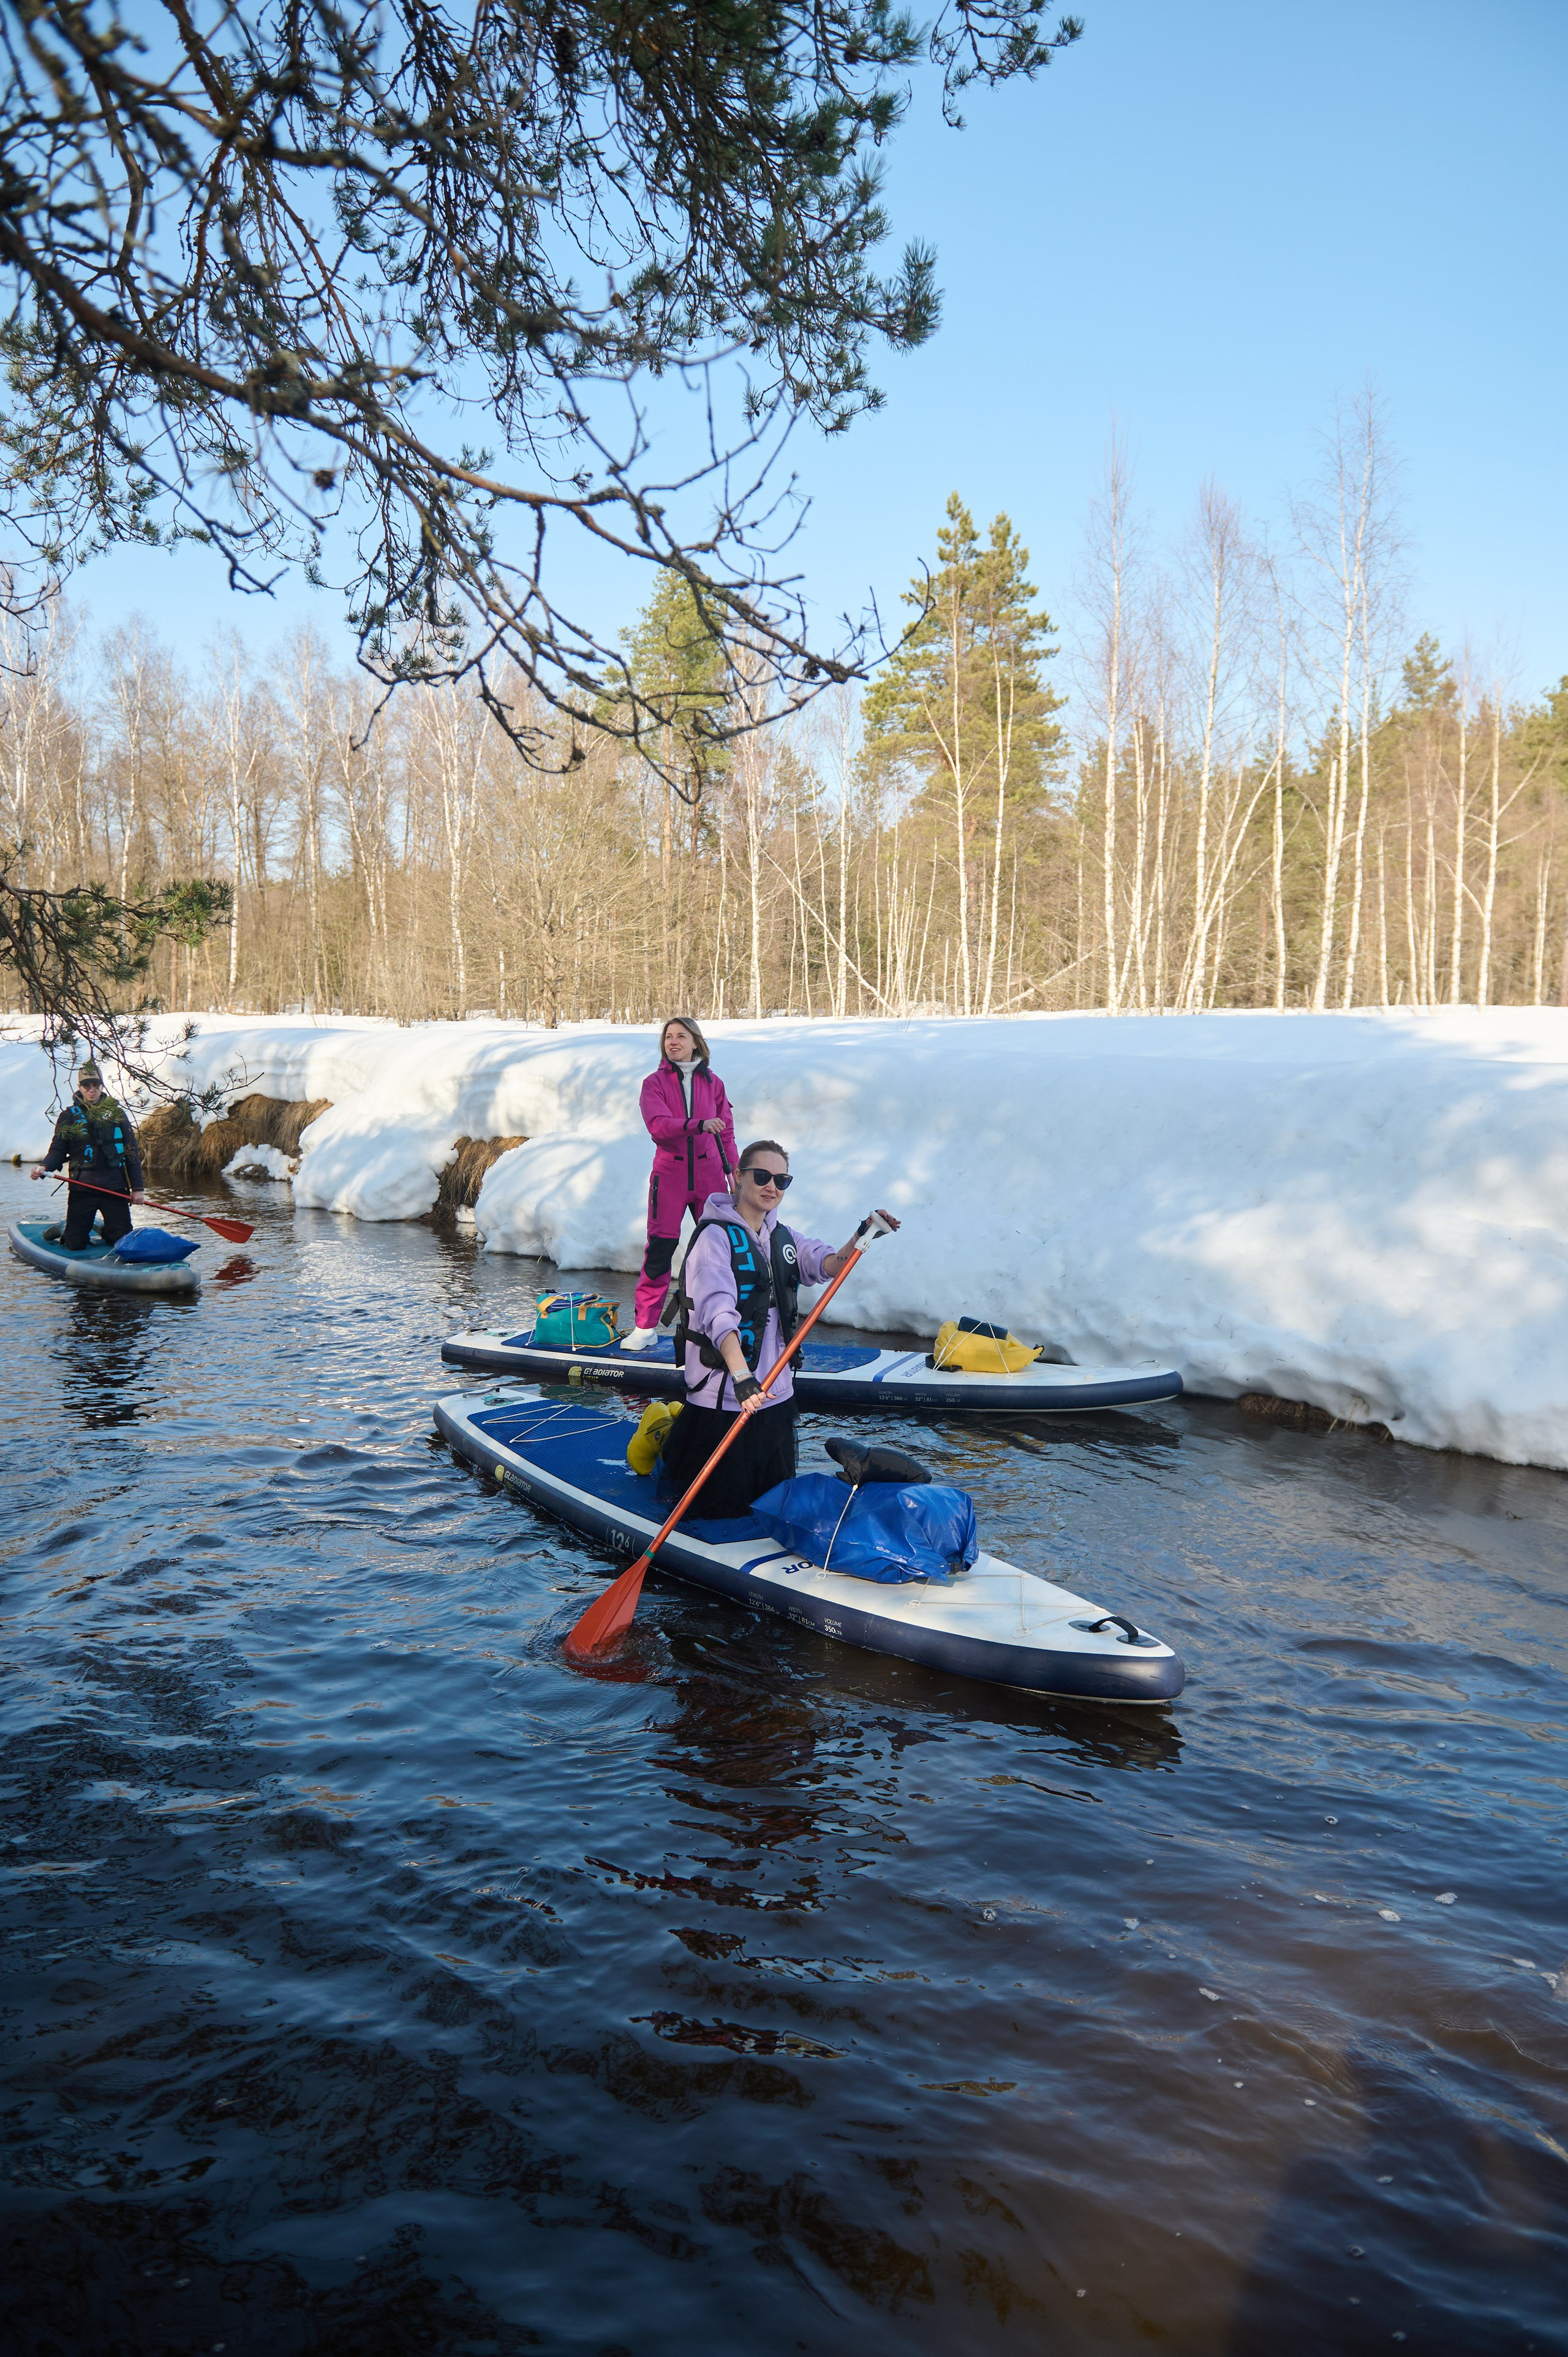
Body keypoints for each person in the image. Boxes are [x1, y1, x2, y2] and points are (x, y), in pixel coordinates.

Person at [658, 1139, 897, 1520]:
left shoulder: (781, 1235)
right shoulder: (714, 1238)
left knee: (769, 1500)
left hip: (774, 1391)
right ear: (739, 1177)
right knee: (719, 1508)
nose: (772, 1186)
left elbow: (827, 1265)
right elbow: (718, 1314)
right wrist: (742, 1377)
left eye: (781, 1180)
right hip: (726, 1392)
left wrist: (863, 1236)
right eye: (762, 1176)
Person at [625, 1014, 738, 1349]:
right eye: (668, 1036)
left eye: (681, 1036)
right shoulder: (654, 1084)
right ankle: (645, 1328)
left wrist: (735, 1174)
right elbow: (658, 1127)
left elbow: (727, 1133)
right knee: (660, 1250)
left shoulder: (715, 1084)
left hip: (710, 1176)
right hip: (670, 1177)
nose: (673, 1042)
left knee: (721, 1251)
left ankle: (723, 1324)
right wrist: (698, 1124)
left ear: (695, 1043)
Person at [31, 1062, 146, 1248]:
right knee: (74, 1244)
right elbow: (58, 1150)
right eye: (87, 1086)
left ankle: (106, 1230)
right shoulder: (68, 1117)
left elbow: (132, 1153)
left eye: (96, 1085)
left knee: (120, 1240)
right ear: (80, 1087)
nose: (92, 1090)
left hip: (114, 1188)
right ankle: (67, 1229)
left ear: (102, 1086)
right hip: (82, 1189)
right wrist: (44, 1167)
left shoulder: (117, 1114)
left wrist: (138, 1189)